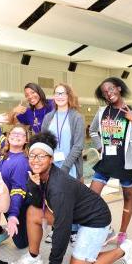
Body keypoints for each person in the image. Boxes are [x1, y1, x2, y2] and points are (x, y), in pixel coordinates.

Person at [11, 131, 132, 264]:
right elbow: (37, 203)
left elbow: (63, 227)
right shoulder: (38, 175)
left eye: (41, 156)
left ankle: (124, 250)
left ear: (51, 159)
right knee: (33, 211)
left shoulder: (59, 187)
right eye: (32, 155)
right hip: (76, 215)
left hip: (95, 220)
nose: (35, 160)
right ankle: (33, 257)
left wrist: (54, 262)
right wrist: (34, 185)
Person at [89, 77, 132, 246]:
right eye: (105, 92)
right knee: (91, 196)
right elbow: (93, 131)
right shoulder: (102, 112)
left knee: (128, 195)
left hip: (125, 162)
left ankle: (123, 232)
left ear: (118, 88)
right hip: (106, 161)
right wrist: (100, 148)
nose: (108, 93)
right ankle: (106, 227)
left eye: (111, 89)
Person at [41, 83, 85, 244]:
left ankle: (73, 230)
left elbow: (79, 145)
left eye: (63, 93)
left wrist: (65, 166)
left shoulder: (76, 117)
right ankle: (57, 229)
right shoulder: (48, 117)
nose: (59, 96)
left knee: (70, 199)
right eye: (57, 93)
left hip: (70, 166)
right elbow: (44, 142)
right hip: (52, 166)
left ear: (69, 96)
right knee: (53, 199)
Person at [0, 113, 31, 249]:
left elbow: (17, 191)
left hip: (13, 201)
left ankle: (29, 221)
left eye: (21, 135)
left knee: (21, 243)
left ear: (26, 140)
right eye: (14, 133)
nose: (16, 136)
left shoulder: (21, 162)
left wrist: (13, 214)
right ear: (8, 136)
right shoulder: (4, 147)